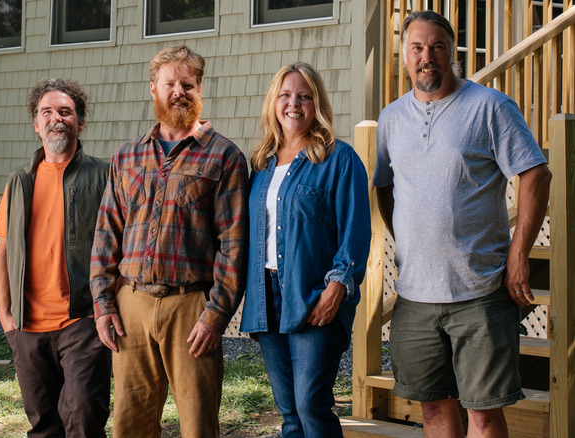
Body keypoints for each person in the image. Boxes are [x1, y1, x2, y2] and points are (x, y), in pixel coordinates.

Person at [374, 10, 552, 436]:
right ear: (404, 55)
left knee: (483, 413)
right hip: (415, 297)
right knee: (433, 409)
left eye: (437, 46)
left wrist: (518, 256)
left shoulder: (489, 107)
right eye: (417, 47)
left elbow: (536, 174)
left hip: (481, 292)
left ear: (451, 52)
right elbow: (384, 185)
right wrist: (410, 241)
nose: (427, 56)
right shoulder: (391, 119)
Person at [90, 44, 249, 438]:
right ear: (153, 89)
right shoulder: (126, 157)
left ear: (200, 89)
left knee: (198, 425)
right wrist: (102, 304)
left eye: (188, 84)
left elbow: (233, 246)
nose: (179, 91)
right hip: (132, 306)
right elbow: (106, 234)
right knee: (131, 424)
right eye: (169, 84)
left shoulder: (224, 157)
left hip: (191, 307)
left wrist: (215, 316)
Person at [240, 62, 371, 437]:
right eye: (285, 95)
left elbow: (355, 232)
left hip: (313, 294)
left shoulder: (339, 159)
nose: (293, 104)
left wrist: (336, 289)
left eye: (304, 96)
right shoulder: (261, 164)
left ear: (317, 104)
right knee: (289, 413)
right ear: (273, 103)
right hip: (267, 295)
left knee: (312, 404)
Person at [0, 78, 111, 437]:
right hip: (27, 328)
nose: (56, 118)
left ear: (80, 122)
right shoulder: (20, 181)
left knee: (84, 418)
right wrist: (6, 316)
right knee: (43, 425)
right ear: (36, 123)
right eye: (47, 112)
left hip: (82, 321)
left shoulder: (104, 175)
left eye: (65, 111)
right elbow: (3, 252)